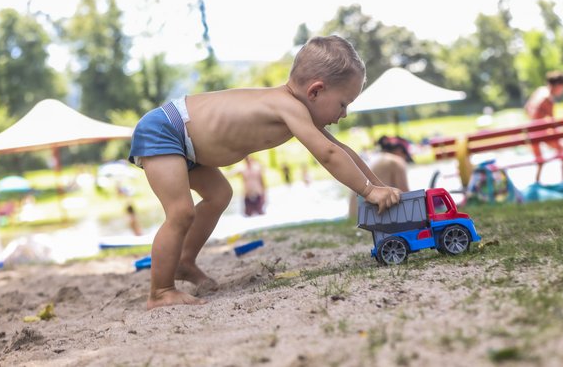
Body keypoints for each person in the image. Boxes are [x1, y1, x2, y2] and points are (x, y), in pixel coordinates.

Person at [128, 35, 402, 309]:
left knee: (219, 194)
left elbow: (340, 149)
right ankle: (161, 291)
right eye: (344, 103)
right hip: (166, 130)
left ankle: (184, 261)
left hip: (190, 145)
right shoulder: (288, 107)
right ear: (315, 91)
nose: (345, 114)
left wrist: (379, 186)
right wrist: (367, 190)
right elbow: (328, 155)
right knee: (180, 212)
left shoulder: (296, 108)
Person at [348, 135, 412, 219]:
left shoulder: (372, 157)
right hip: (371, 216)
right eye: (406, 155)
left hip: (354, 215)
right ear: (399, 151)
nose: (405, 159)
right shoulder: (396, 161)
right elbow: (407, 197)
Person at [524, 70, 563, 182]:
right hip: (540, 133)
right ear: (558, 85)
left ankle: (537, 182)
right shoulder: (548, 99)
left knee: (540, 161)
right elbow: (552, 123)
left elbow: (527, 109)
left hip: (530, 132)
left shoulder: (539, 91)